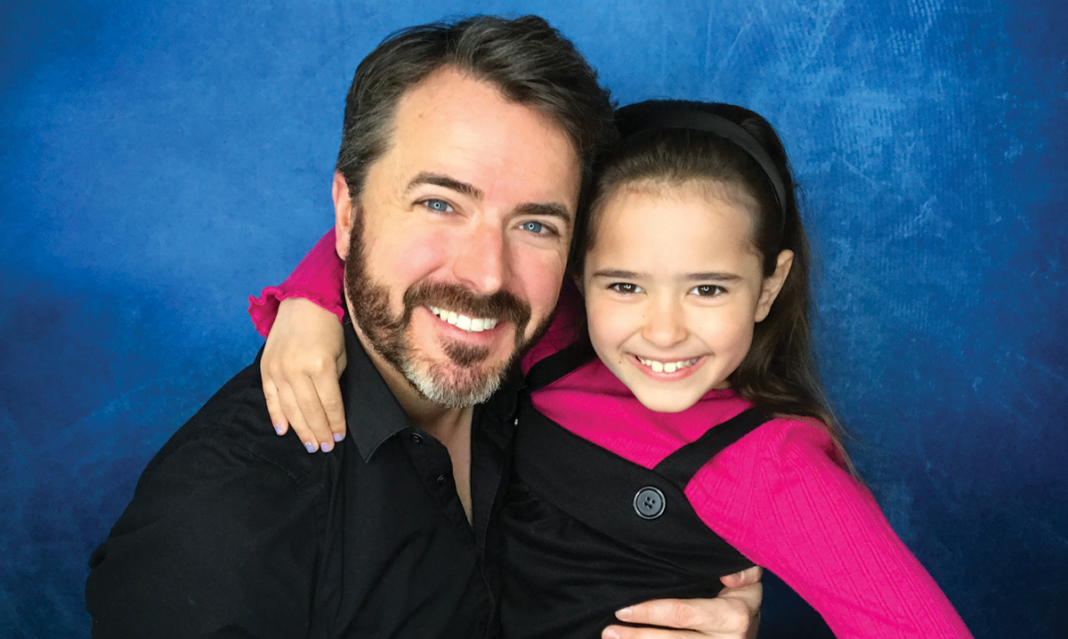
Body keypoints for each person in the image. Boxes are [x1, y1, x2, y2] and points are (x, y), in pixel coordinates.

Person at [85, 16, 760, 639]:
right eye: (439, 202)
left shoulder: (551, 379)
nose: (488, 275)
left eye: (534, 224)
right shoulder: (222, 518)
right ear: (347, 216)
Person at [250, 101, 974, 637]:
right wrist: (310, 304)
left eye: (708, 287)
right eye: (625, 285)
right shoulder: (552, 337)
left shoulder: (772, 464)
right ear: (576, 274)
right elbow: (414, 250)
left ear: (771, 285)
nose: (662, 329)